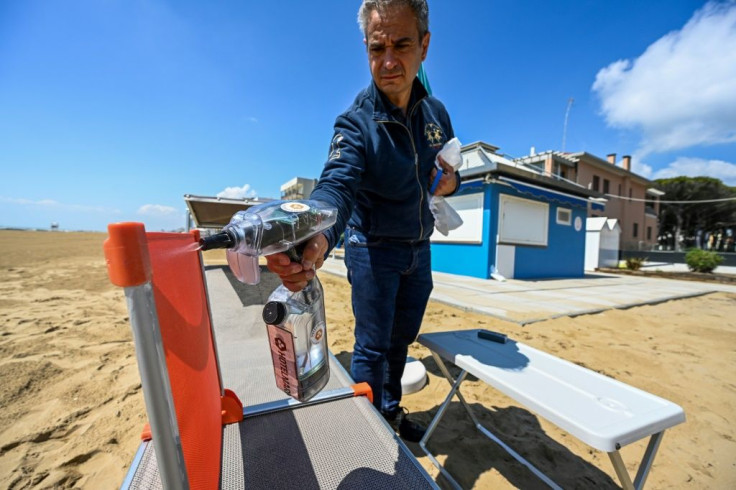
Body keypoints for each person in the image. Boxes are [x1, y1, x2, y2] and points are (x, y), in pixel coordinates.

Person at [266, 0, 459, 442]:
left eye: (402, 45)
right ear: (366, 49)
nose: (388, 61)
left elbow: (446, 171)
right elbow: (338, 185)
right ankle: (368, 433)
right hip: (372, 248)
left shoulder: (436, 114)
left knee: (401, 341)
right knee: (372, 346)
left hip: (419, 247)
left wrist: (451, 183)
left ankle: (388, 413)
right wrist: (316, 231)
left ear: (424, 46)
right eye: (377, 48)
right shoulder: (355, 123)